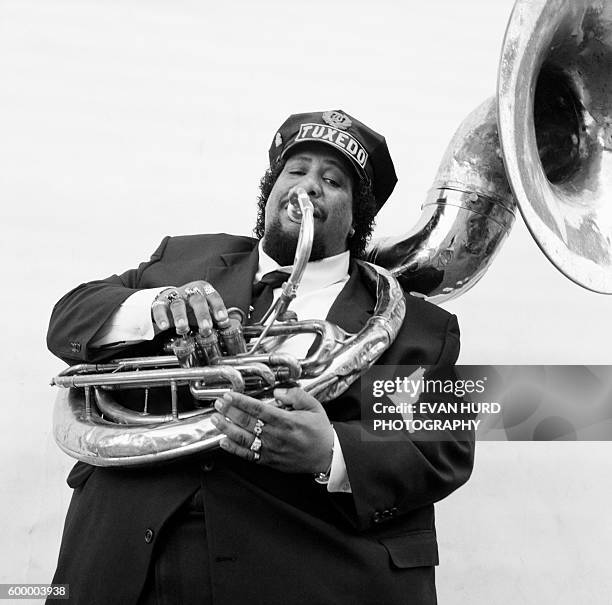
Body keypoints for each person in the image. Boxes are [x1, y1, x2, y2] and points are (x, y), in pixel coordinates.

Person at [47, 110, 474, 605]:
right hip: (123, 564)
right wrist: (158, 308)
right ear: (271, 191)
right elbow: (69, 318)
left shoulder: (418, 325)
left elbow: (444, 447)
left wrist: (330, 452)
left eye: (332, 181)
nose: (309, 186)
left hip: (304, 571)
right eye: (296, 171)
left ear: (357, 216)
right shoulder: (183, 258)